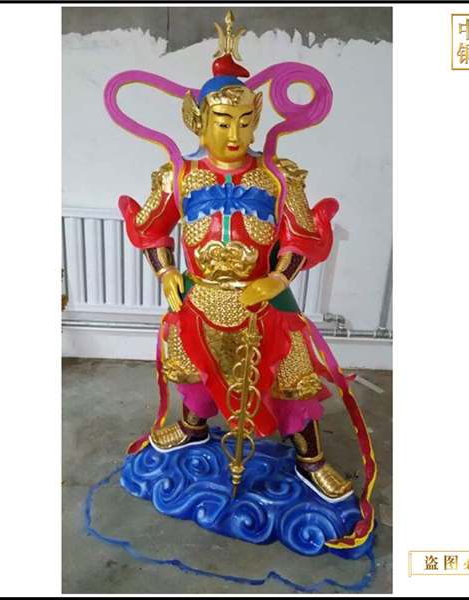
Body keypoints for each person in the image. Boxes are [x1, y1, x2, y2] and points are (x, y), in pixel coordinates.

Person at [119, 12, 352, 503]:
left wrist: (277, 279)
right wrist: (165, 272)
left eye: (246, 123)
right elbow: (151, 229)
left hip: (263, 300)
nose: (235, 134)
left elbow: (300, 237)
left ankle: (310, 459)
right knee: (192, 370)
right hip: (199, 296)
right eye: (223, 122)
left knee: (293, 378)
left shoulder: (278, 176)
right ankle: (193, 426)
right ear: (199, 123)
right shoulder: (178, 176)